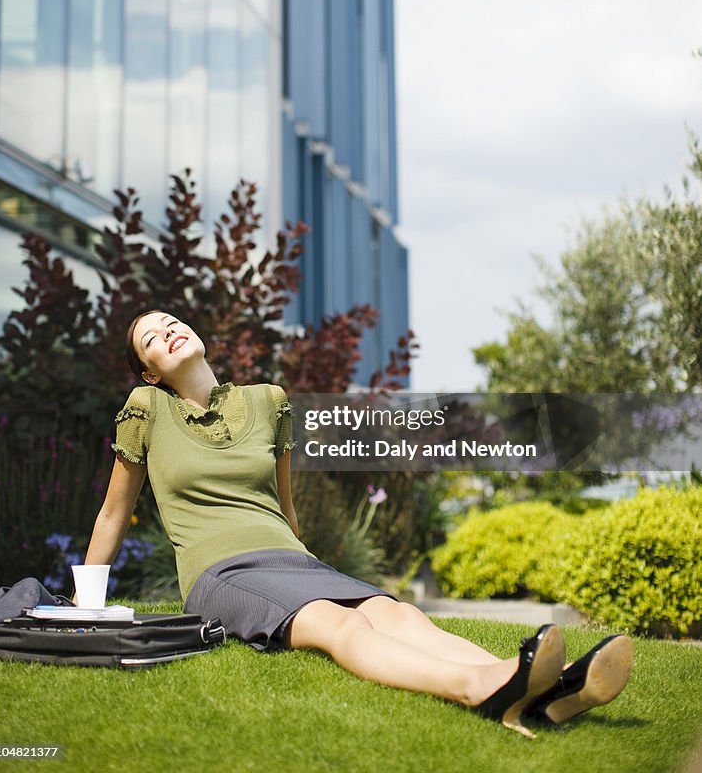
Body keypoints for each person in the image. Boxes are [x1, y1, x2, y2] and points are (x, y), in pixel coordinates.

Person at [82, 309, 633, 737]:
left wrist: (306, 561)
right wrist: (88, 604)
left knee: (402, 616)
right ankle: (479, 687)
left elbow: (286, 505)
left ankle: (542, 687)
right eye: (152, 336)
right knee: (342, 626)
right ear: (150, 371)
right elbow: (114, 512)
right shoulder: (146, 410)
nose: (169, 329)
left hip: (290, 559)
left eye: (172, 320)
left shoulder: (268, 401)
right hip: (219, 572)